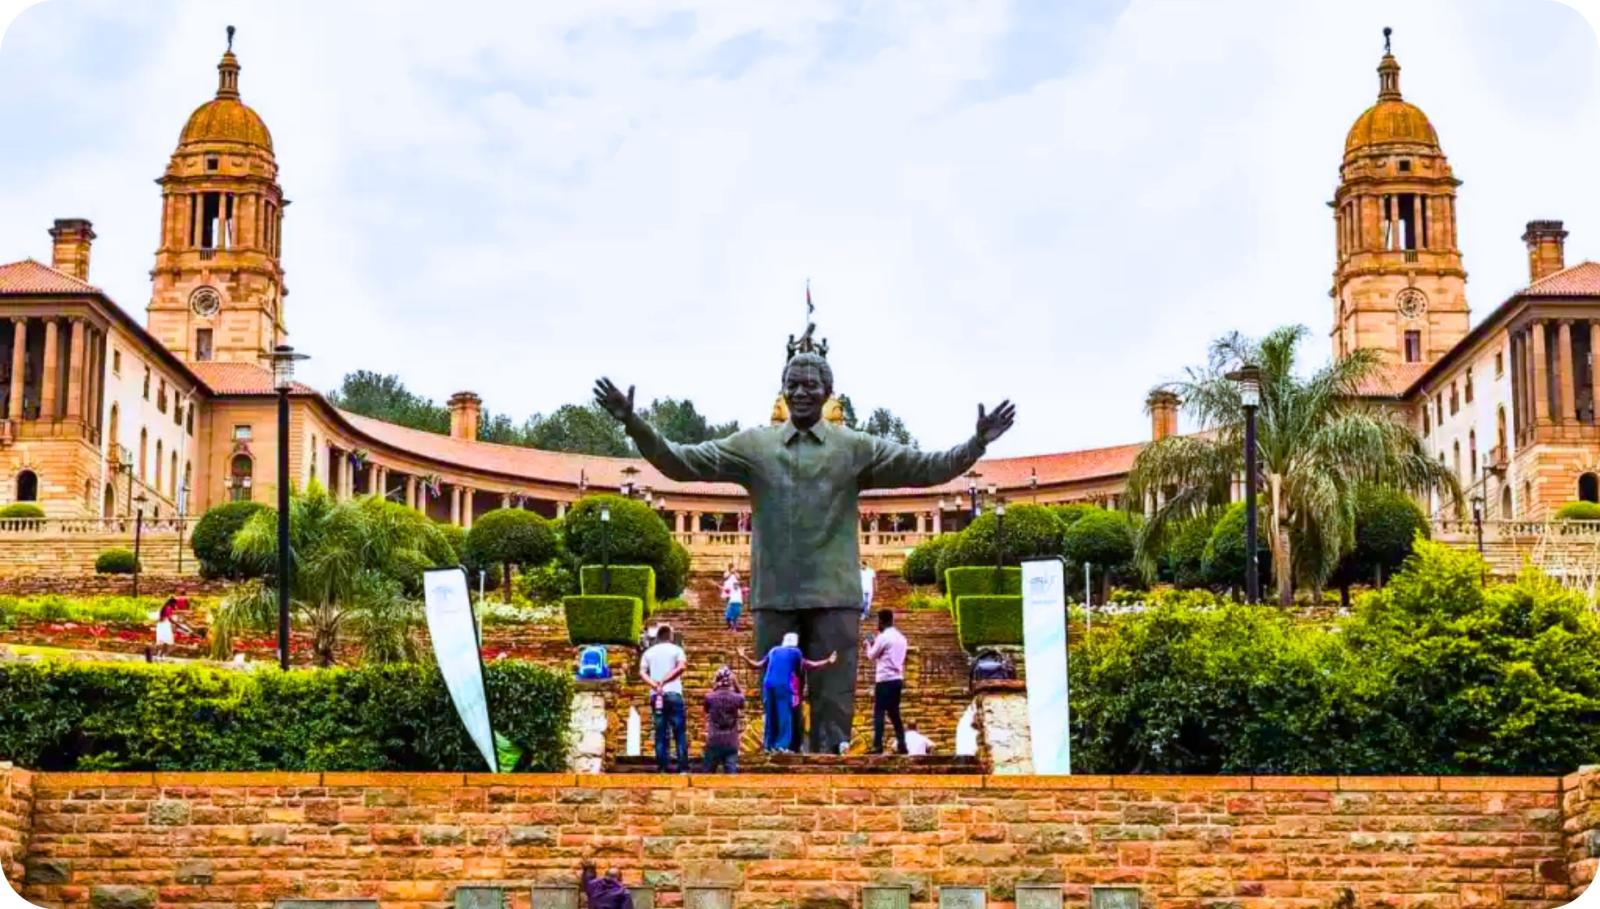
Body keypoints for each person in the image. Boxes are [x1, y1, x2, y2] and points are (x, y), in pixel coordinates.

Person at [594, 340, 1015, 753]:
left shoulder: (854, 448)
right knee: (777, 709)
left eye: (810, 384)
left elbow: (925, 468)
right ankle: (779, 776)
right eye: (792, 384)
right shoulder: (754, 447)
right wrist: (633, 422)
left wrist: (975, 444)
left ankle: (833, 782)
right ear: (782, 389)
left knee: (834, 717)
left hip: (834, 597)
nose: (800, 392)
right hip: (774, 595)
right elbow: (680, 462)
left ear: (828, 392)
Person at [741, 632, 837, 753]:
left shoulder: (773, 651)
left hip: (768, 685)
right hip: (783, 685)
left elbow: (757, 665)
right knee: (784, 716)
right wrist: (827, 661)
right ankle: (781, 745)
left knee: (771, 715)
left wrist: (744, 657)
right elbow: (808, 665)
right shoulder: (795, 652)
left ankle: (768, 745)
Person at [639, 624, 687, 773]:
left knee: (660, 732)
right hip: (673, 693)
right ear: (670, 636)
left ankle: (662, 767)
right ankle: (682, 768)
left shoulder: (649, 652)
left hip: (656, 695)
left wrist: (654, 685)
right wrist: (665, 681)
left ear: (658, 636)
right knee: (679, 731)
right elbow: (681, 667)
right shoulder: (677, 650)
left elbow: (642, 672)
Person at [866, 609, 909, 754]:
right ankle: (902, 743)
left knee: (879, 711)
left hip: (884, 679)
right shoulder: (901, 638)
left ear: (882, 621)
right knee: (894, 712)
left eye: (878, 621)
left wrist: (869, 644)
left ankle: (877, 745)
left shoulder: (883, 637)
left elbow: (871, 656)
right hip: (897, 679)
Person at [702, 666, 745, 773]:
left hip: (714, 739)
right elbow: (742, 698)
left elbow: (706, 709)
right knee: (731, 773)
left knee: (707, 774)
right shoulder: (736, 698)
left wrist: (715, 687)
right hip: (731, 740)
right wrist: (736, 683)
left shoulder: (709, 697)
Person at [722, 566, 744, 631]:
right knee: (728, 610)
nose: (733, 569)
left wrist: (734, 572)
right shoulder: (727, 572)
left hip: (736, 596)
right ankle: (730, 625)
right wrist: (730, 572)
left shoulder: (736, 573)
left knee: (735, 615)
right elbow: (725, 577)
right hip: (729, 589)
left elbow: (739, 578)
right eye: (732, 568)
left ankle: (733, 626)